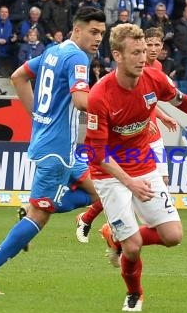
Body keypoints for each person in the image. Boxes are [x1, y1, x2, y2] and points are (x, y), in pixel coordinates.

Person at [83, 23, 187, 311]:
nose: (143, 58)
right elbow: (97, 152)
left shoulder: (153, 78)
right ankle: (134, 293)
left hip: (144, 166)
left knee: (173, 236)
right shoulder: (100, 95)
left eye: (144, 51)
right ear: (117, 56)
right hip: (110, 173)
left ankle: (114, 233)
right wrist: (129, 183)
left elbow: (184, 102)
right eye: (135, 53)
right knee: (132, 247)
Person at [0, 6, 107, 295]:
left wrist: (38, 114)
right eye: (93, 32)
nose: (98, 39)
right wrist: (114, 109)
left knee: (100, 192)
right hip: (56, 152)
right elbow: (82, 101)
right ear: (77, 30)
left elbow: (18, 77)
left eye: (102, 34)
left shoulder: (53, 52)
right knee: (40, 216)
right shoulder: (78, 57)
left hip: (57, 147)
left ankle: (33, 206)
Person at [76, 26, 178, 243]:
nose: (150, 50)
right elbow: (131, 102)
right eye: (147, 45)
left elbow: (148, 97)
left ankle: (119, 229)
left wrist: (159, 116)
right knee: (123, 186)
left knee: (163, 180)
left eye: (155, 45)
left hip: (149, 136)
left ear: (161, 47)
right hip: (127, 140)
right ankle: (98, 221)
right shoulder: (116, 80)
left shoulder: (156, 69)